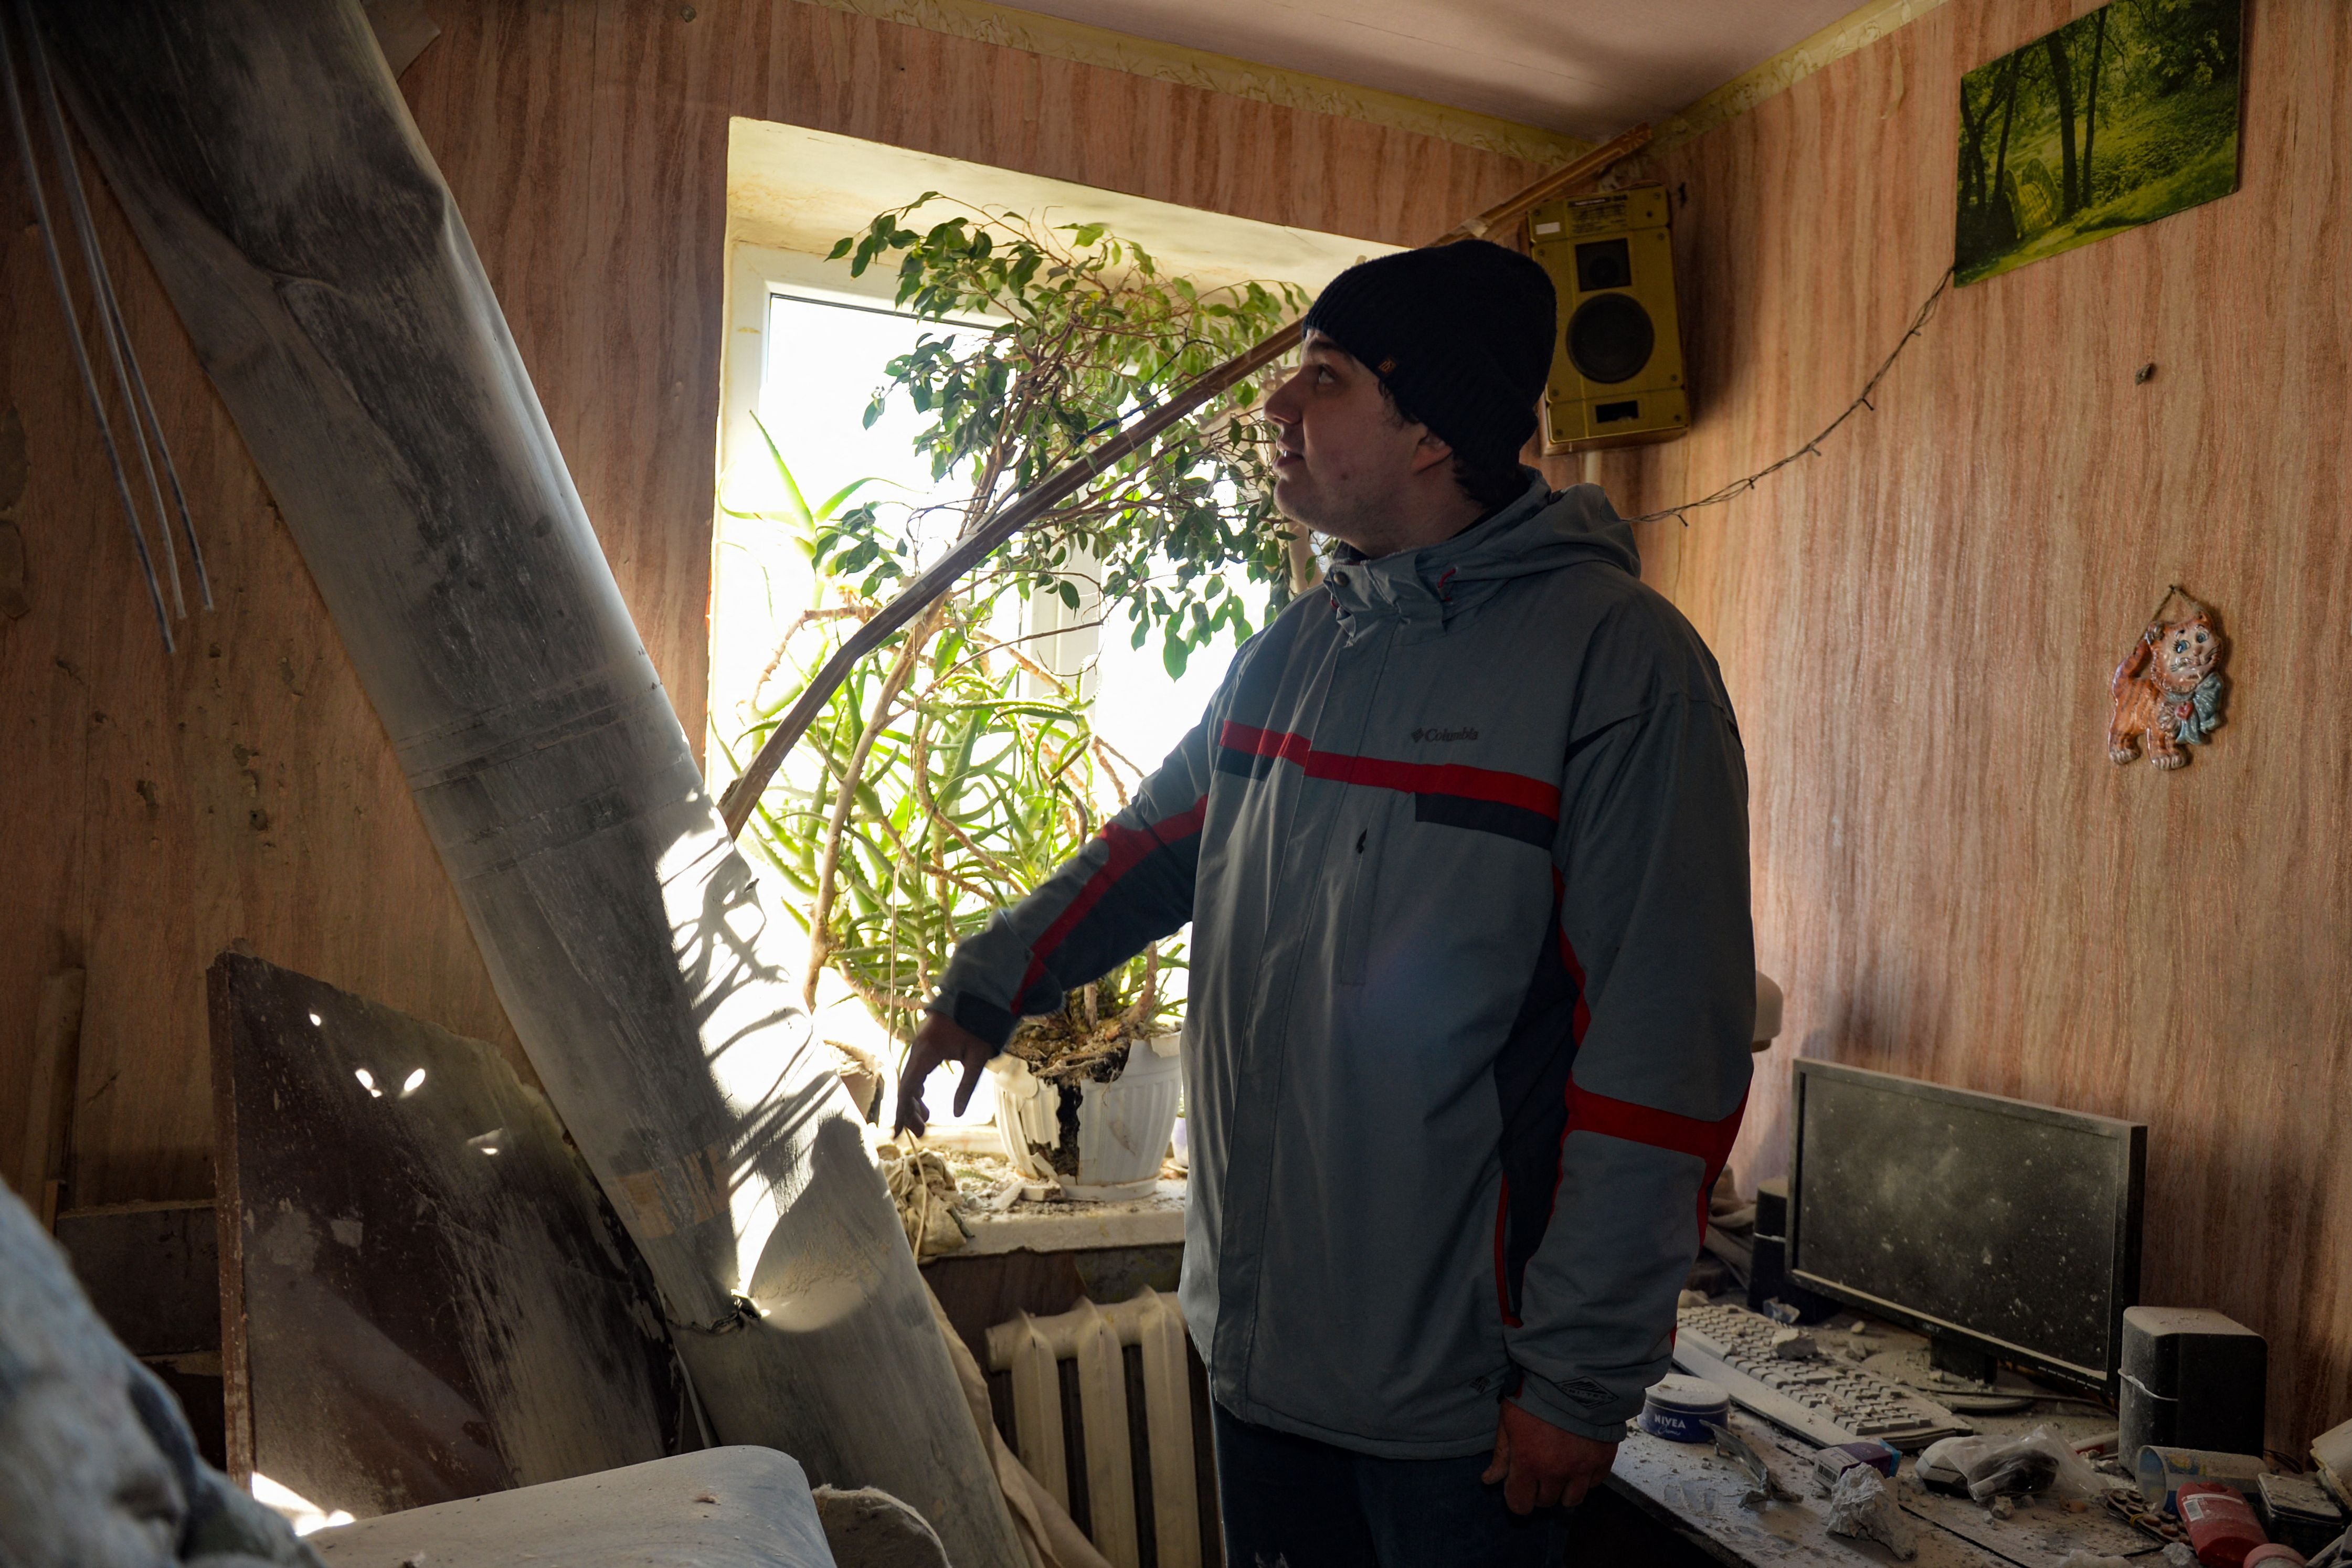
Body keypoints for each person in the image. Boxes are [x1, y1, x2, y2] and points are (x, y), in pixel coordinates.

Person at [895, 239, 1754, 1565]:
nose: (1279, 409)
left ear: (1430, 433)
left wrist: (1580, 1380)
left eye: (1327, 379)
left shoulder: (1621, 670)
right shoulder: (1297, 648)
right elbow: (1154, 848)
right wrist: (990, 982)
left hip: (1461, 1409)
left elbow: (1664, 1061)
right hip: (1259, 1365)